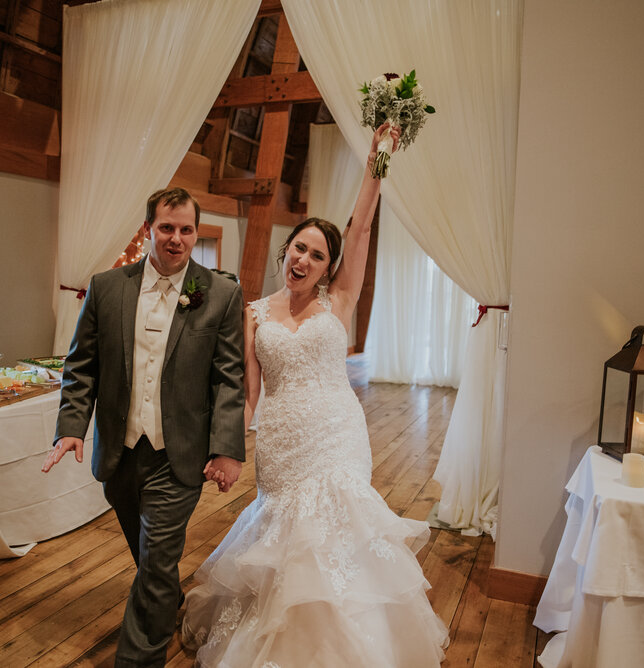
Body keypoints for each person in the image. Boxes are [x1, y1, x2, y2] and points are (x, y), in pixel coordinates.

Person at [181, 124, 450, 666]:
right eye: (299, 248)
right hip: (283, 439)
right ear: (287, 251)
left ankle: (350, 644)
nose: (304, 260)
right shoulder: (254, 314)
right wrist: (228, 449)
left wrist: (378, 158)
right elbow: (249, 392)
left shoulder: (340, 302)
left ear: (330, 267)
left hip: (337, 430)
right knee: (291, 536)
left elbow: (362, 226)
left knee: (340, 523)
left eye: (318, 255)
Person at [43, 187, 245, 668]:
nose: (176, 238)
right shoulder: (107, 287)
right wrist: (71, 426)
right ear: (148, 229)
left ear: (196, 232)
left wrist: (227, 449)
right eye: (166, 227)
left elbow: (228, 378)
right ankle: (166, 598)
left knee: (155, 559)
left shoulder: (220, 293)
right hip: (120, 450)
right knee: (151, 555)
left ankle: (139, 659)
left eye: (186, 229)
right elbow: (81, 367)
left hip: (181, 452)